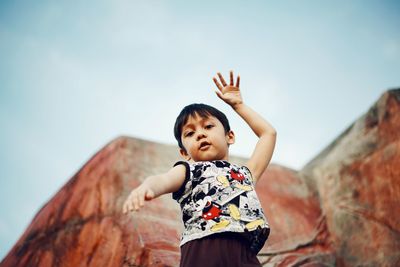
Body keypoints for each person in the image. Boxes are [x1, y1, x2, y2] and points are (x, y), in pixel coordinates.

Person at [122, 70, 277, 267]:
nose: (200, 134)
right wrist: (147, 187)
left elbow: (268, 134)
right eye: (190, 133)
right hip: (204, 249)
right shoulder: (189, 171)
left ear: (230, 136)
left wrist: (239, 106)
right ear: (184, 153)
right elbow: (163, 179)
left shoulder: (246, 174)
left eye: (208, 127)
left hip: (245, 254)